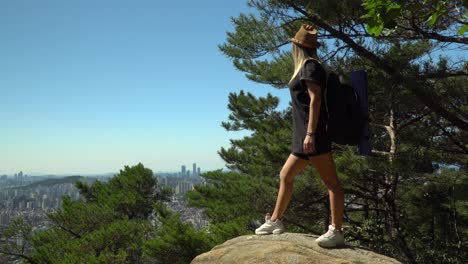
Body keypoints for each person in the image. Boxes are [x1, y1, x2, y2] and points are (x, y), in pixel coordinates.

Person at [254, 24, 345, 248]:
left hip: (312, 135)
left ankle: (337, 230)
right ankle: (275, 221)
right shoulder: (307, 67)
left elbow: (315, 100)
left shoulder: (310, 67)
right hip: (304, 135)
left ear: (297, 47)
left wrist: (311, 134)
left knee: (331, 183)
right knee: (285, 175)